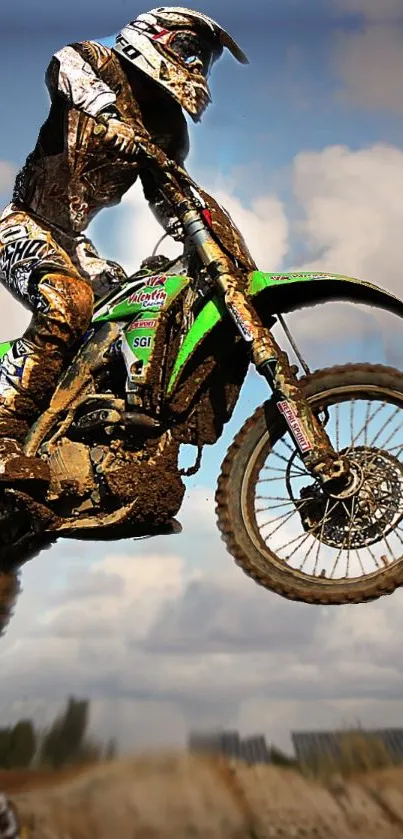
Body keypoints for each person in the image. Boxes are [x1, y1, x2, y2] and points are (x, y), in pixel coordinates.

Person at [0, 6, 248, 483]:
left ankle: (83, 441)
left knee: (135, 311)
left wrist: (207, 240)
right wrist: (109, 114)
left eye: (203, 59)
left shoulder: (168, 129)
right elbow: (64, 64)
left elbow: (171, 199)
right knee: (68, 303)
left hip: (77, 244)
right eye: (189, 50)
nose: (196, 65)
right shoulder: (97, 62)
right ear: (154, 37)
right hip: (22, 225)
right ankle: (3, 425)